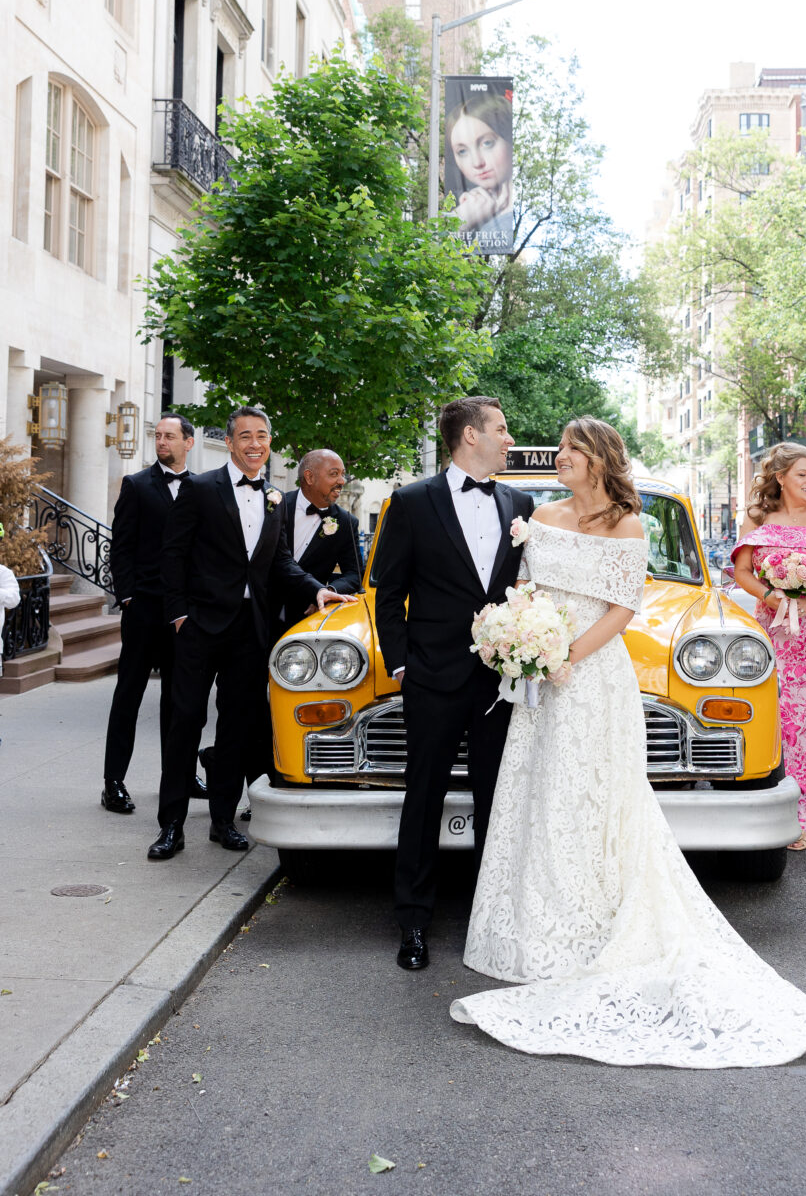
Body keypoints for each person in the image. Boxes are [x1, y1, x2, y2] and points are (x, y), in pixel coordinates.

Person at [451, 419, 806, 1068]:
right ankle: (541, 933)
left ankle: (599, 931)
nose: (559, 457)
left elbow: (622, 608)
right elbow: (525, 591)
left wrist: (565, 654)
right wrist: (521, 638)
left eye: (569, 449)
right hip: (538, 680)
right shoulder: (539, 514)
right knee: (544, 798)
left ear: (597, 458)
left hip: (593, 678)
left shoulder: (630, 525)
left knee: (597, 799)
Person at [373, 396, 533, 972]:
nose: (508, 438)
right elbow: (387, 593)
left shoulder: (521, 502)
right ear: (470, 436)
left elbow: (525, 587)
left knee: (498, 797)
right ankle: (413, 921)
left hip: (500, 680)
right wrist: (401, 663)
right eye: (502, 428)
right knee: (424, 795)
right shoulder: (412, 501)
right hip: (431, 675)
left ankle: (490, 919)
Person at [149, 406, 351, 861]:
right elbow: (173, 554)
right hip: (199, 625)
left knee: (237, 727)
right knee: (184, 723)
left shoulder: (275, 498)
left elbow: (280, 562)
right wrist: (179, 615)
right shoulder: (200, 488)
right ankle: (171, 826)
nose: (255, 444)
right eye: (245, 436)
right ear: (230, 440)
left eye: (262, 436)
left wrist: (319, 591)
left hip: (250, 629)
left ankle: (223, 821)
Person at [730, 443, 806, 850]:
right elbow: (742, 571)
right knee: (777, 718)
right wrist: (770, 596)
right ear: (780, 478)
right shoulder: (758, 517)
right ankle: (769, 809)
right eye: (801, 474)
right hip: (772, 631)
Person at [101, 413, 205, 815]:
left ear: (188, 443)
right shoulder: (137, 484)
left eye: (170, 436)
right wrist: (127, 597)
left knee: (180, 702)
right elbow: (121, 545)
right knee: (128, 695)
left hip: (184, 614)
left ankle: (179, 776)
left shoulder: (202, 488)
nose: (162, 441)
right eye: (158, 436)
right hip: (143, 608)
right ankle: (113, 782)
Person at [275, 449, 363, 632]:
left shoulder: (346, 522)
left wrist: (327, 592)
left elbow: (355, 575)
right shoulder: (276, 506)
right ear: (309, 477)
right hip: (260, 612)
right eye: (334, 474)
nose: (342, 481)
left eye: (342, 474)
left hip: (307, 618)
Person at [443, 95, 513, 250]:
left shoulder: (513, 220)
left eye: (487, 143)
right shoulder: (471, 207)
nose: (477, 163)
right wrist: (460, 219)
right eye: (462, 151)